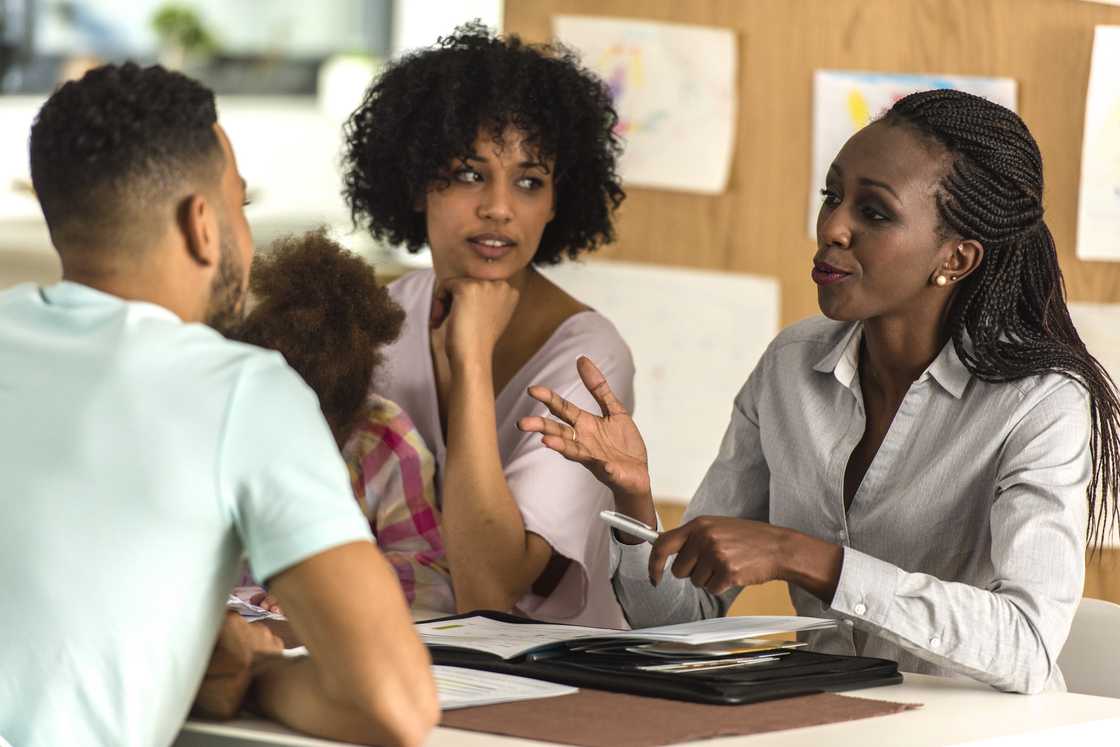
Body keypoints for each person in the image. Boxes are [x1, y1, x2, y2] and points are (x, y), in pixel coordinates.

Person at [520, 89, 1120, 693]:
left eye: (875, 213)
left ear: (956, 258)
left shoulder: (1043, 403)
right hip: (828, 719)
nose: (832, 228)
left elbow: (1027, 644)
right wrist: (635, 501)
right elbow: (681, 618)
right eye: (832, 196)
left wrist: (805, 555)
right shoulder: (791, 365)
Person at [0, 63, 437, 747]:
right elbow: (395, 704)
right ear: (203, 225)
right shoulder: (240, 390)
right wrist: (251, 674)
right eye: (242, 205)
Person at [342, 24, 631, 627]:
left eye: (530, 182)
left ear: (557, 202)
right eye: (470, 174)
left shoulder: (587, 356)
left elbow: (490, 589)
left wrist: (470, 360)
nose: (499, 206)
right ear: (418, 182)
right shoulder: (377, 325)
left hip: (551, 685)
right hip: (402, 660)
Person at [229, 229, 454, 613]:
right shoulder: (226, 429)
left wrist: (333, 585)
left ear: (352, 411)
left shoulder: (386, 440)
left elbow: (433, 579)